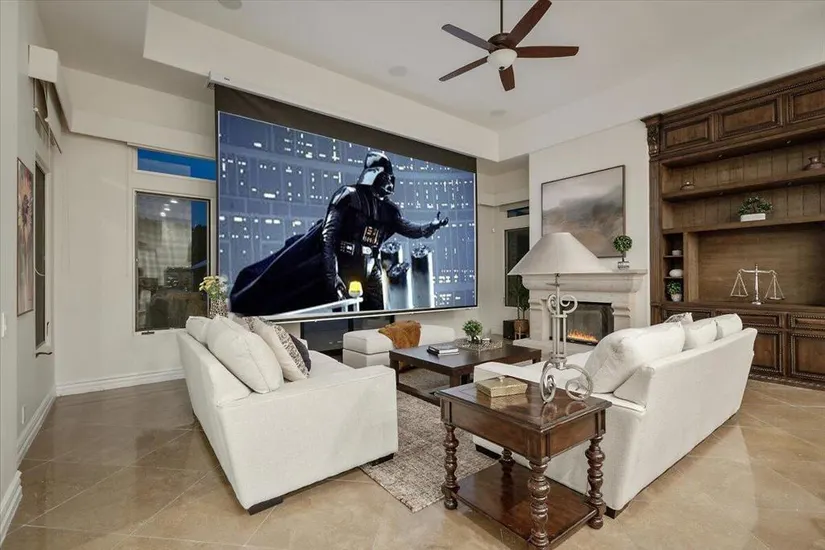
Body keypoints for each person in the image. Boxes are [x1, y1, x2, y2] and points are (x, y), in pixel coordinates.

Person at [230, 151, 448, 316]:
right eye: (386, 177)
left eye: (392, 178)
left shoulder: (389, 210)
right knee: (341, 313)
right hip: (343, 263)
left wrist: (431, 226)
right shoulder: (348, 196)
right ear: (375, 175)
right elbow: (329, 237)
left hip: (370, 266)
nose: (390, 183)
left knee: (377, 315)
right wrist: (332, 276)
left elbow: (409, 229)